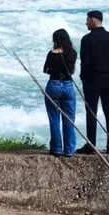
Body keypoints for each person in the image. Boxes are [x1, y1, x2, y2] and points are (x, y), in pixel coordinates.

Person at [78, 11, 109, 155]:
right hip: (108, 79)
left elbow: (85, 63)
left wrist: (84, 77)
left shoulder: (87, 39)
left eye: (87, 21)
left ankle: (91, 145)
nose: (86, 23)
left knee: (91, 112)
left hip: (92, 80)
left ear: (93, 20)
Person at [43, 29, 78, 157]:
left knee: (54, 118)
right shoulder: (72, 53)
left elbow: (46, 70)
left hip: (53, 84)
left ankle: (56, 148)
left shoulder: (51, 54)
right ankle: (69, 150)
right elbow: (72, 71)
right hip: (68, 85)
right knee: (69, 119)